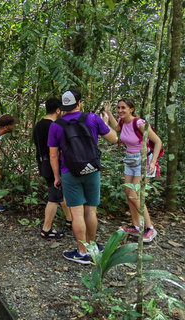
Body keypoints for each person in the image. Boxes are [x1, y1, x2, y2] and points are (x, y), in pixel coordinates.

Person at [48, 89, 118, 264]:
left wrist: (56, 176)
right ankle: (92, 247)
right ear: (79, 103)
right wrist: (105, 122)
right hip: (92, 169)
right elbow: (114, 139)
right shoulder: (93, 118)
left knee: (77, 213)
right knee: (91, 210)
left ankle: (82, 252)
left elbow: (53, 155)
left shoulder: (55, 125)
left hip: (69, 172)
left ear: (63, 107)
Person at [104, 99, 161, 242]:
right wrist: (109, 113)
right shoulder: (123, 122)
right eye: (118, 108)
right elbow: (116, 129)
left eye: (123, 108)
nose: (120, 110)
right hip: (130, 160)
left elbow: (158, 141)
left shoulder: (139, 123)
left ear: (132, 109)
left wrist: (153, 162)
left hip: (144, 160)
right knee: (128, 194)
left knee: (135, 194)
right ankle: (136, 226)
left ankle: (150, 228)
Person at [33, 98, 72, 239]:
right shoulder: (54, 126)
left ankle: (70, 220)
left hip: (43, 163)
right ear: (58, 110)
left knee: (60, 192)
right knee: (54, 197)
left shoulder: (38, 125)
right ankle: (46, 229)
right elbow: (58, 148)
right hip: (53, 164)